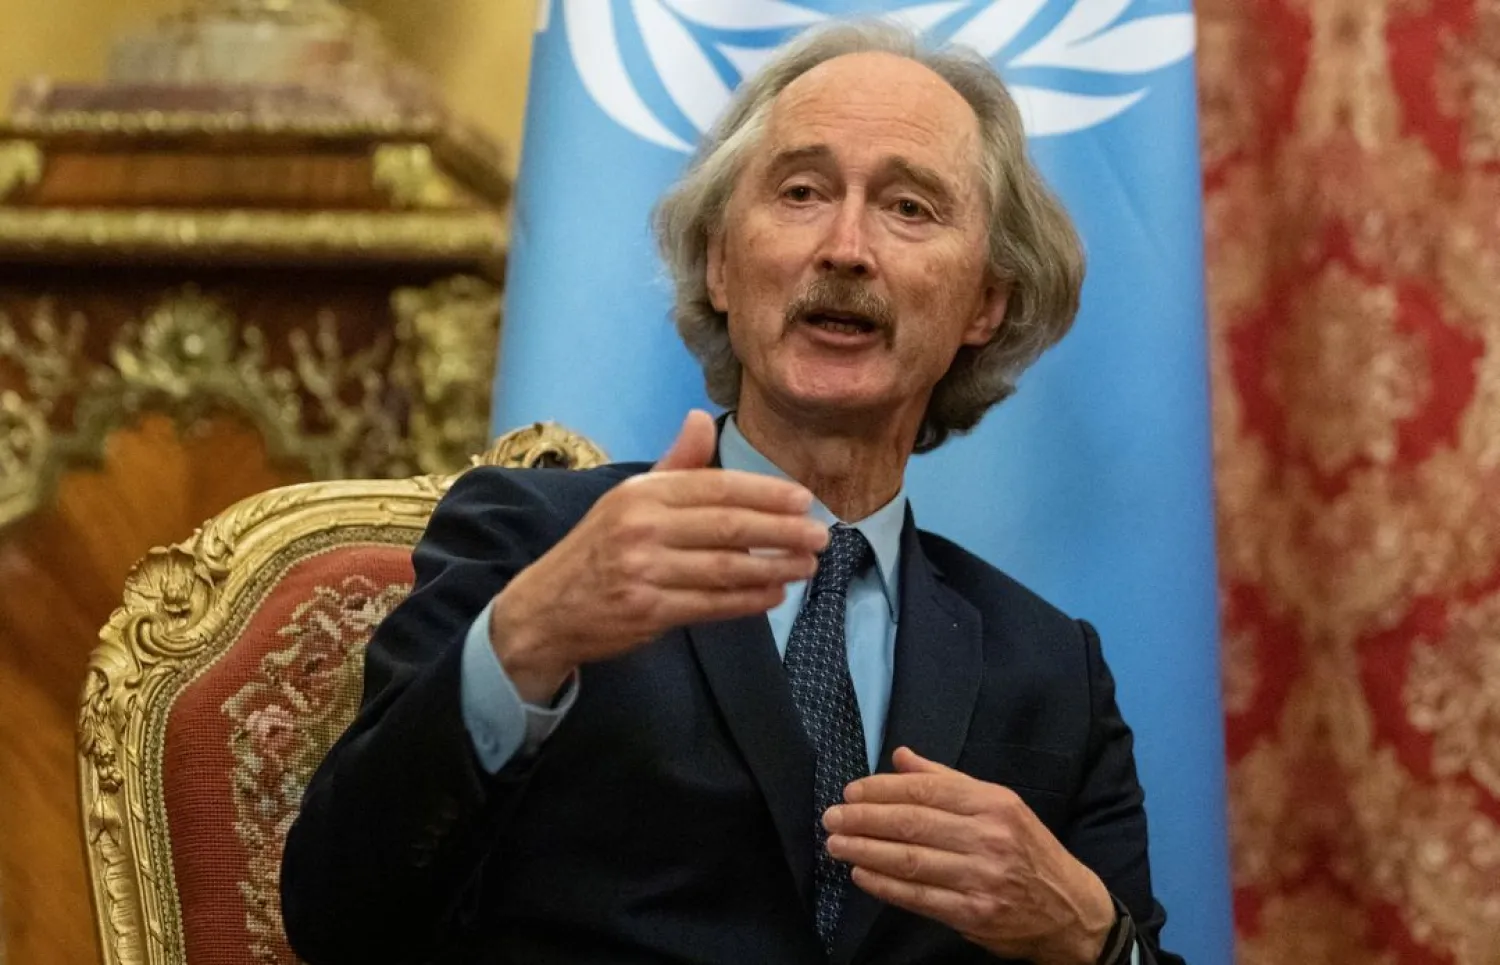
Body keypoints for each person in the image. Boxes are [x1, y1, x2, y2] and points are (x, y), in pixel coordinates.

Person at [281, 20, 1182, 965]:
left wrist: (1089, 932)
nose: (845, 248)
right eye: (801, 192)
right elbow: (338, 910)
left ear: (986, 303)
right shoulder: (535, 541)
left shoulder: (1051, 670)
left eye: (910, 208)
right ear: (719, 263)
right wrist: (527, 639)